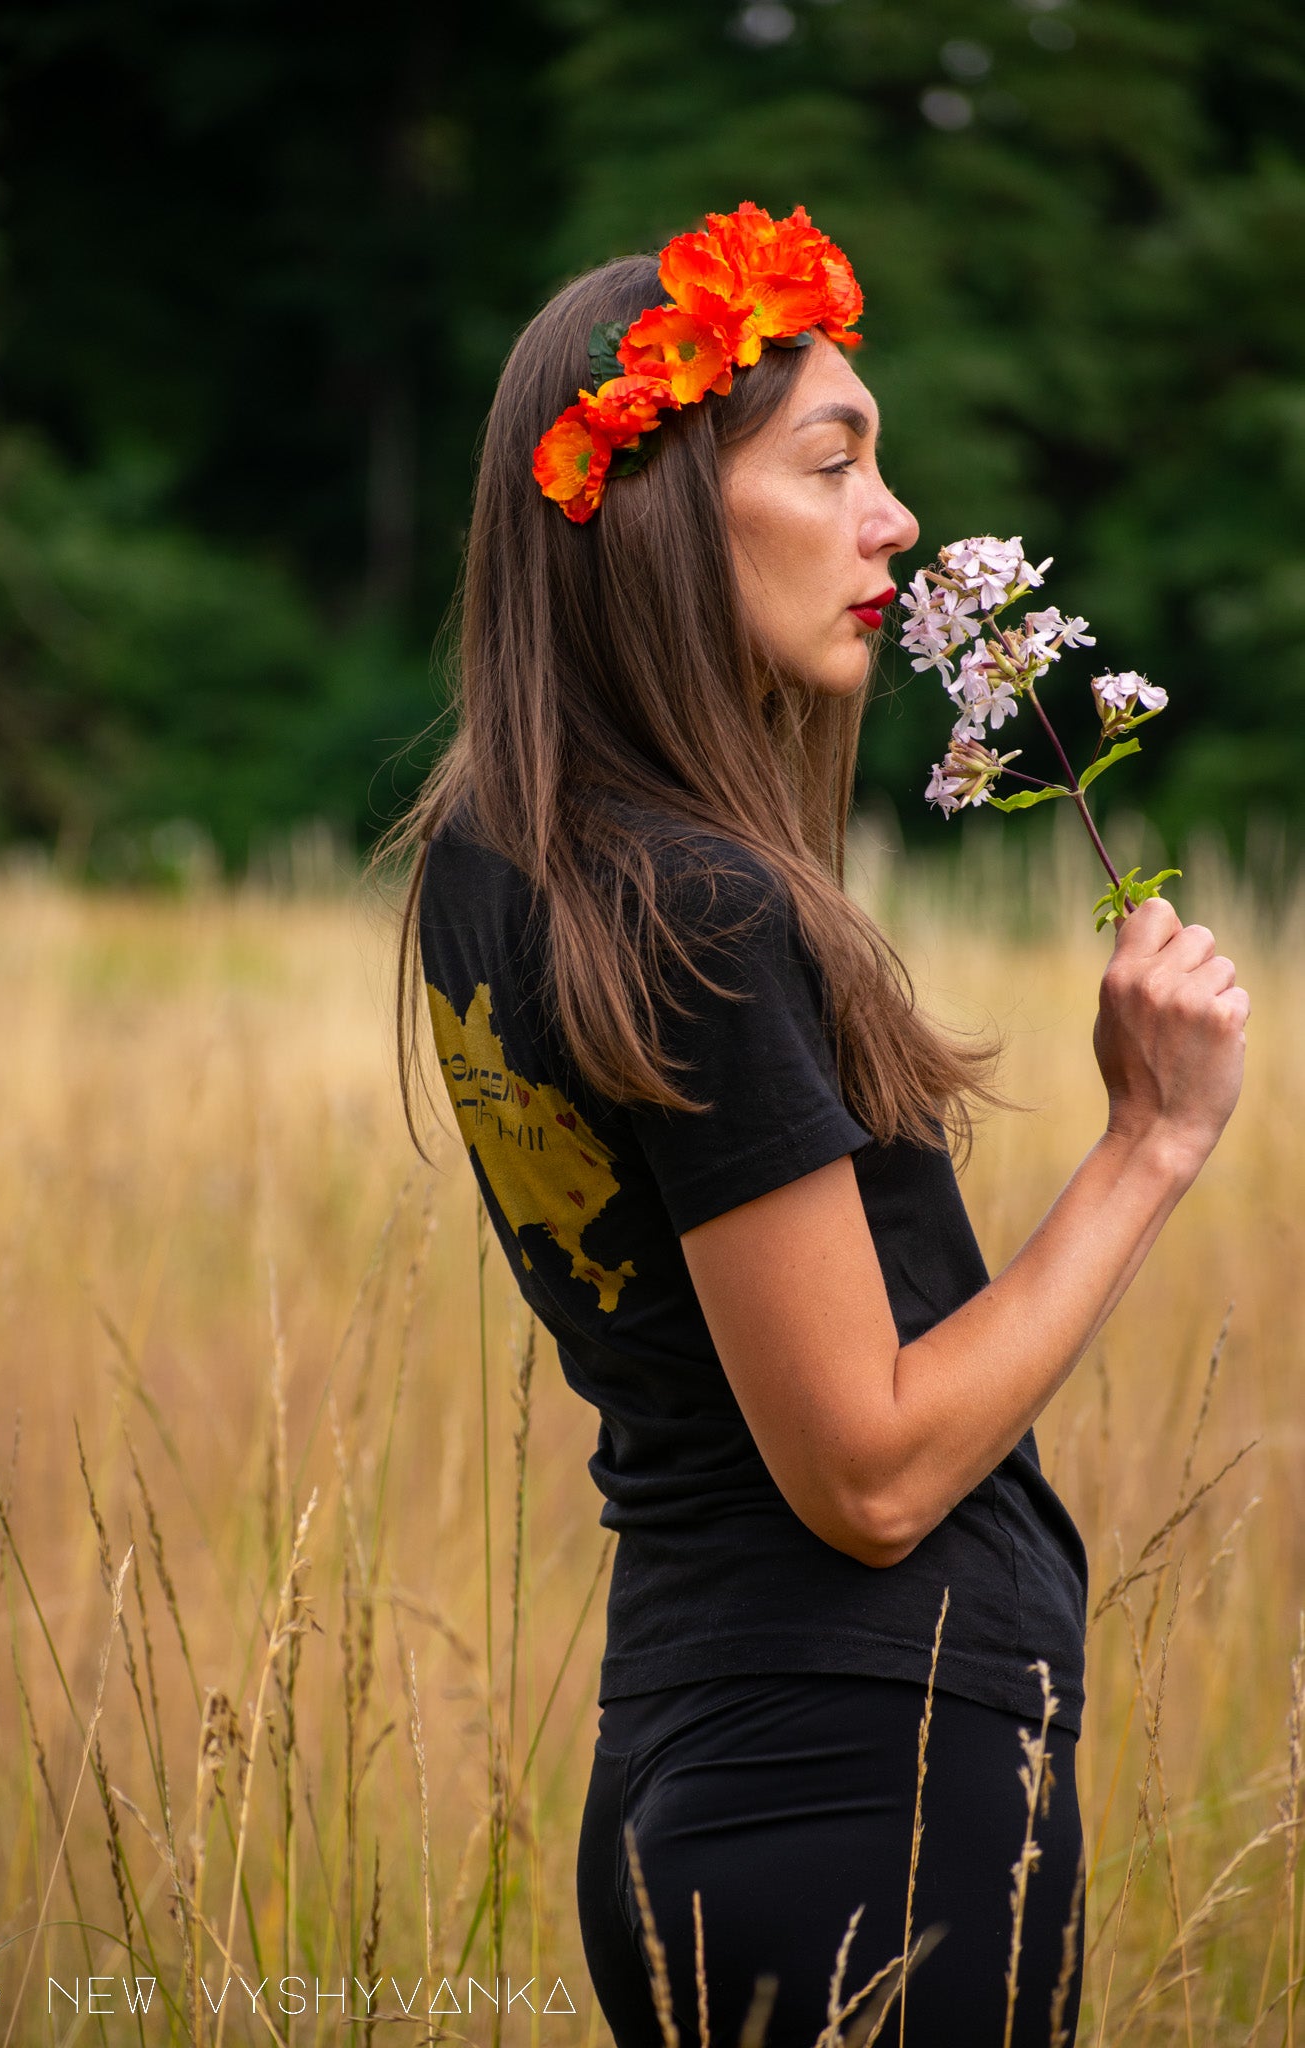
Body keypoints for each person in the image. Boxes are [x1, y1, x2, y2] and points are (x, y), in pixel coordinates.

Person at [381, 204, 1249, 2046]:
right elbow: (865, 1474)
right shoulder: (694, 909)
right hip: (869, 1803)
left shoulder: (498, 857)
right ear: (659, 510)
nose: (895, 520)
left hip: (697, 1767)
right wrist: (1147, 1144)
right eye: (832, 459)